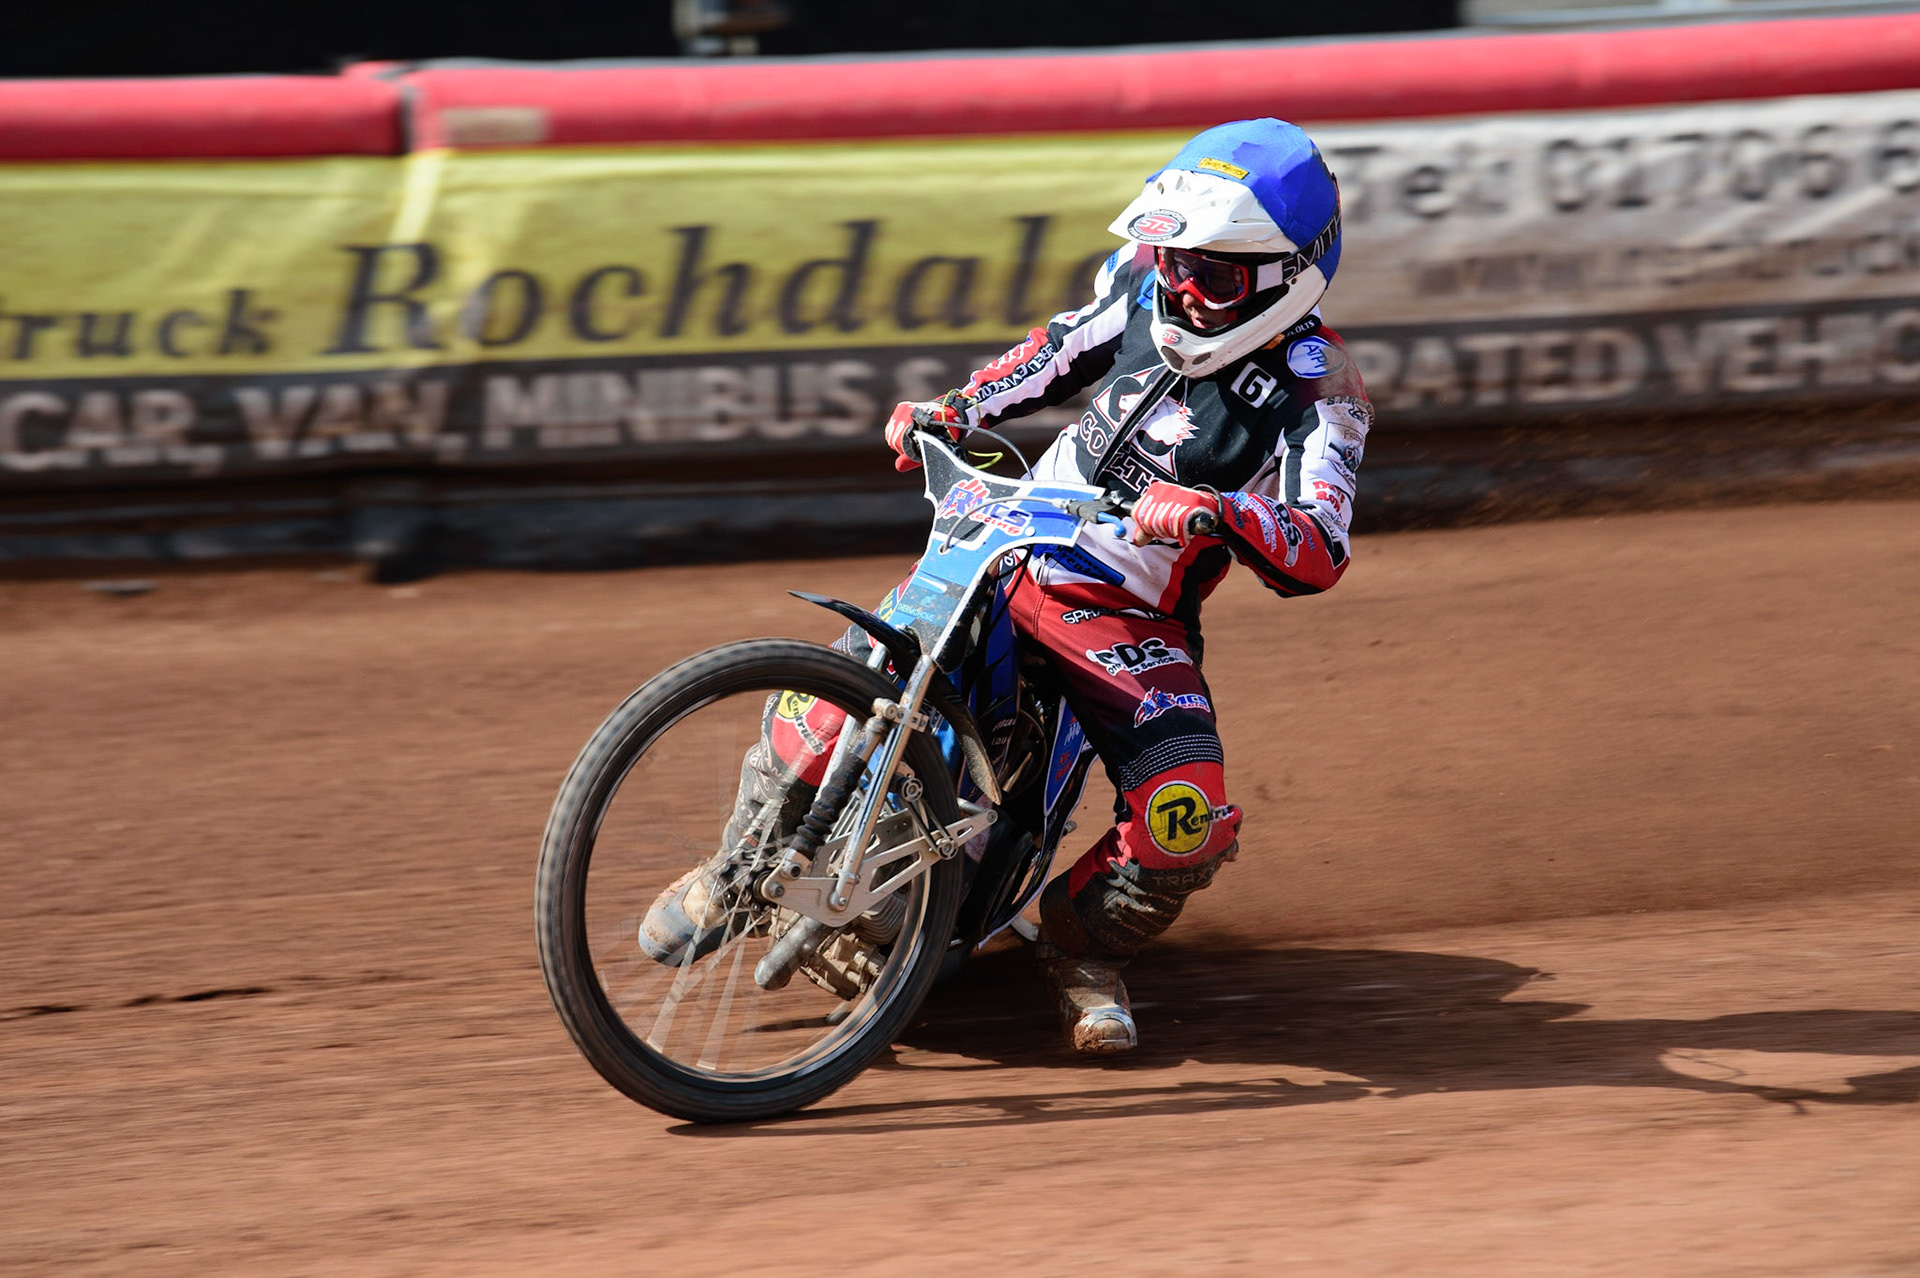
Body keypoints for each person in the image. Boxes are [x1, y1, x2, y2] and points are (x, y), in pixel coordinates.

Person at [646, 117, 1370, 1054]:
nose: (1183, 290)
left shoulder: (1324, 385)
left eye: (1216, 275)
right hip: (1005, 534)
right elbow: (1060, 349)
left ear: (1290, 275)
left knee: (1184, 814)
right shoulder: (1142, 289)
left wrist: (1214, 512)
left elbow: (1320, 543)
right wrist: (956, 407)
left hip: (1123, 608)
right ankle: (738, 870)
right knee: (831, 697)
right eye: (1169, 258)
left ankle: (1077, 949)